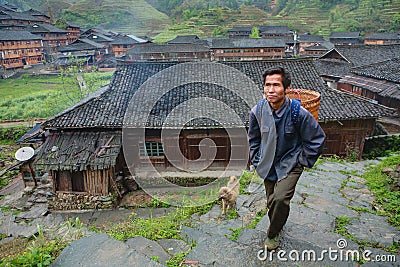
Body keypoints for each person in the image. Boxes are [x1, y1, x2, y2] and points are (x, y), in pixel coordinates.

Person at [247, 66, 326, 250]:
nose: (271, 90)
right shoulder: (257, 112)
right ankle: (278, 222)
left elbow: (316, 139)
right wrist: (257, 159)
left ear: (286, 89)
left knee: (281, 198)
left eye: (276, 85)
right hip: (267, 164)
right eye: (267, 85)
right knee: (271, 201)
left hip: (291, 163)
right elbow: (253, 139)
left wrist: (302, 160)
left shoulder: (299, 113)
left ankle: (272, 234)